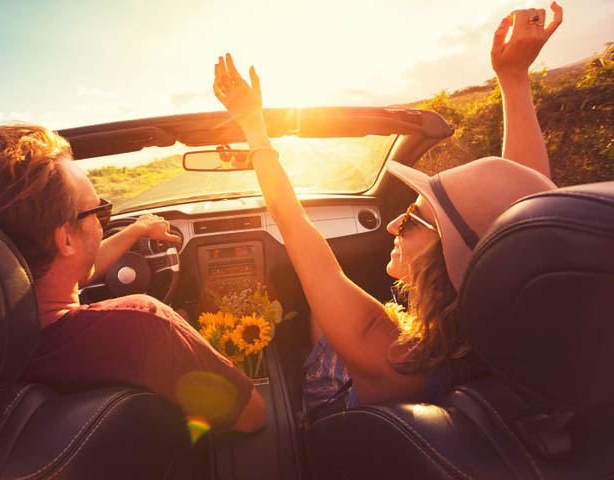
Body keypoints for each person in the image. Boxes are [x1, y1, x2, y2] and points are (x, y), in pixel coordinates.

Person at [212, 3, 563, 421]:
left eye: (413, 218)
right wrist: (514, 77)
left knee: (321, 323)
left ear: (449, 258)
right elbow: (525, 204)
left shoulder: (384, 349)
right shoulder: (517, 326)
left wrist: (253, 124)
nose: (395, 222)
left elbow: (292, 220)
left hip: (340, 422)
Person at [0, 125, 266, 433]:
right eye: (100, 212)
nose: (103, 222)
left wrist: (137, 230)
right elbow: (252, 416)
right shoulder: (140, 324)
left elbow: (66, 271)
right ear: (65, 239)